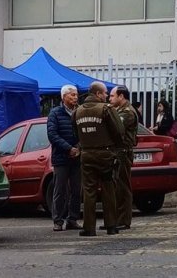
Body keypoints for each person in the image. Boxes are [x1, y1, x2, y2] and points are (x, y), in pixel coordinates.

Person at [73, 81, 124, 237]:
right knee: (108, 190)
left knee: (89, 191)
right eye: (104, 93)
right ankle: (111, 225)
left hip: (87, 155)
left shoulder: (78, 111)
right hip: (105, 154)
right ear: (97, 94)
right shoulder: (106, 110)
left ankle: (89, 227)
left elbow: (75, 133)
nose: (107, 96)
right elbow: (119, 131)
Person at [46, 84, 81, 232]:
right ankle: (58, 220)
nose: (75, 97)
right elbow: (52, 135)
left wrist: (78, 148)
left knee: (76, 190)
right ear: (64, 97)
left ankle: (72, 219)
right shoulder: (55, 113)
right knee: (60, 190)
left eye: (76, 94)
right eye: (72, 95)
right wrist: (69, 148)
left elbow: (84, 132)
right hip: (61, 158)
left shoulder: (80, 112)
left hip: (77, 157)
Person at [111, 85, 138, 231]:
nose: (110, 99)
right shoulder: (118, 110)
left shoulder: (127, 112)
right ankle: (115, 219)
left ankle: (123, 220)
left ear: (121, 96)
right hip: (117, 151)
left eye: (112, 96)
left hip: (123, 152)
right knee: (116, 187)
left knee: (123, 187)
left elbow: (115, 127)